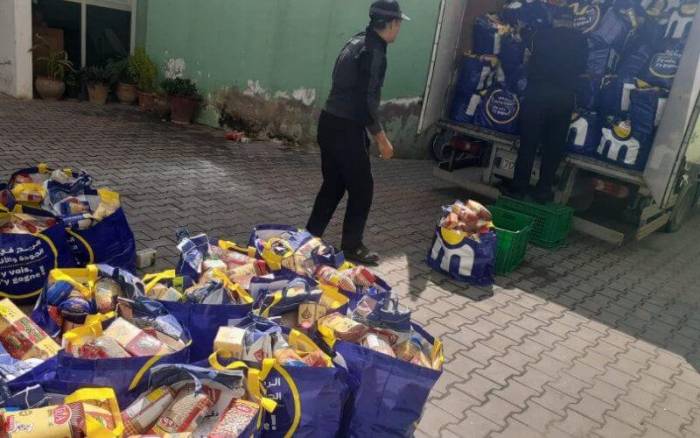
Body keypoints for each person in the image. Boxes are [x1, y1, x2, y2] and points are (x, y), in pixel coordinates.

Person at [306, 0, 409, 265]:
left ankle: (309, 237)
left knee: (333, 184)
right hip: (346, 127)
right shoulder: (374, 52)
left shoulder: (356, 41)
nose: (399, 29)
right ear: (392, 23)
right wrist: (381, 139)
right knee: (363, 189)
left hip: (329, 122)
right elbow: (366, 100)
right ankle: (352, 247)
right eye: (399, 24)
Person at [508, 13, 589, 203]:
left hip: (538, 95)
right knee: (553, 147)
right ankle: (543, 191)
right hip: (564, 98)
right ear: (572, 23)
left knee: (528, 144)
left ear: (555, 21)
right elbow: (582, 67)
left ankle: (518, 189)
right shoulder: (581, 40)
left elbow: (526, 43)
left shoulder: (541, 35)